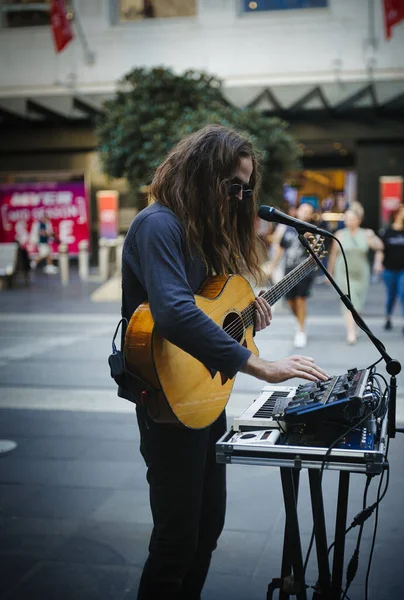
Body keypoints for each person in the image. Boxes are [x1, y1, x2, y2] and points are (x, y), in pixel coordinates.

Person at [119, 124, 329, 600]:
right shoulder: (159, 224)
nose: (239, 197)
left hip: (204, 399)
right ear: (199, 173)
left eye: (246, 189)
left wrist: (247, 316)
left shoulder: (198, 232)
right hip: (166, 401)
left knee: (208, 528)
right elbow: (173, 313)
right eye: (232, 185)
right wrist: (261, 366)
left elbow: (210, 306)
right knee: (175, 541)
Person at [327, 202, 383, 345]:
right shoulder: (340, 234)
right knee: (349, 302)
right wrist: (329, 272)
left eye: (352, 219)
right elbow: (333, 254)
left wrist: (373, 236)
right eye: (347, 218)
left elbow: (379, 247)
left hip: (362, 272)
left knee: (359, 303)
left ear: (358, 220)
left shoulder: (366, 234)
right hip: (343, 272)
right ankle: (351, 332)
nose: (349, 221)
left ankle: (356, 325)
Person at [266, 201, 319, 348]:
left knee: (300, 299)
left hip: (303, 271)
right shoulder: (289, 229)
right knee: (290, 301)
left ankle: (301, 331)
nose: (305, 213)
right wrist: (272, 266)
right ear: (297, 211)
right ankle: (301, 321)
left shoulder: (312, 230)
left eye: (308, 211)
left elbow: (318, 251)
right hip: (288, 270)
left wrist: (311, 238)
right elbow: (281, 250)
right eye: (303, 210)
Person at [374, 203, 404, 337]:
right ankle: (388, 317)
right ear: (396, 214)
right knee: (391, 295)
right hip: (389, 269)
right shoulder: (387, 232)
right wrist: (378, 264)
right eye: (403, 211)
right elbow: (381, 250)